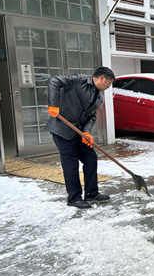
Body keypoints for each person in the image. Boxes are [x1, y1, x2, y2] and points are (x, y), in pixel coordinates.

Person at [46, 67, 115, 209]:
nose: (109, 87)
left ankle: (91, 193)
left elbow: (92, 117)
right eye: (109, 83)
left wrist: (87, 132)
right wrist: (54, 104)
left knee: (90, 158)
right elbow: (54, 81)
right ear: (102, 78)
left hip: (79, 132)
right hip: (62, 129)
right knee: (70, 164)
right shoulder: (79, 81)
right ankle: (74, 198)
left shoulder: (98, 97)